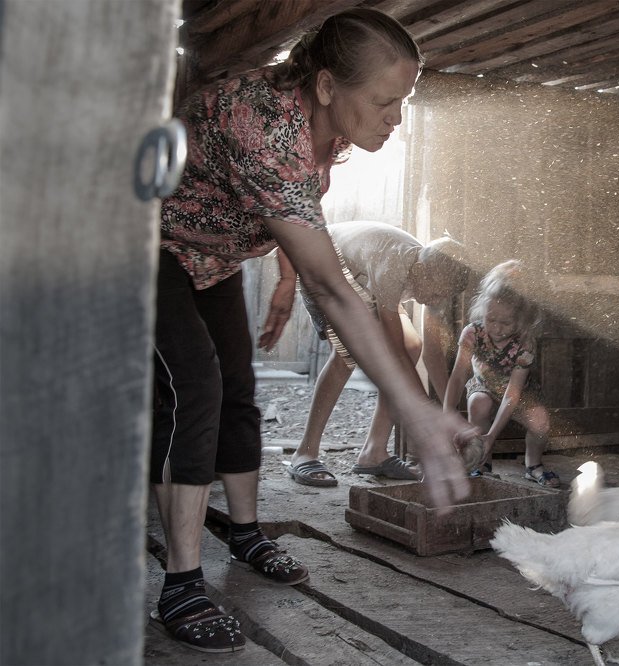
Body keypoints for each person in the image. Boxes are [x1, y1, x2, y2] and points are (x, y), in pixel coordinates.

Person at [152, 8, 473, 654]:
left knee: (239, 388)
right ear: (326, 86)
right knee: (198, 391)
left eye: (405, 101)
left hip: (211, 256)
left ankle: (244, 533)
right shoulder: (265, 127)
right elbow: (338, 287)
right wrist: (417, 408)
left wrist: (285, 278)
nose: (396, 118)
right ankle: (182, 582)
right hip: (147, 244)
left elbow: (287, 209)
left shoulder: (321, 129)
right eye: (385, 101)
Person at [287, 220, 470, 486]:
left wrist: (450, 414)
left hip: (360, 280)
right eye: (436, 292)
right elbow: (392, 351)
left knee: (413, 346)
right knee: (346, 355)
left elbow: (431, 355)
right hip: (323, 268)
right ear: (423, 270)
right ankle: (304, 452)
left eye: (444, 295)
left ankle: (374, 452)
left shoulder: (432, 275)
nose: (437, 299)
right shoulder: (396, 265)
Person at [442, 260, 559, 487]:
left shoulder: (525, 344)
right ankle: (480, 463)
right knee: (478, 403)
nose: (496, 328)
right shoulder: (472, 333)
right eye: (491, 319)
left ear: (522, 320)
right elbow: (457, 377)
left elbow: (512, 394)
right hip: (483, 384)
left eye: (505, 323)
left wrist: (491, 436)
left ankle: (533, 464)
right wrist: (447, 412)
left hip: (518, 391)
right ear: (482, 311)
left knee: (541, 421)